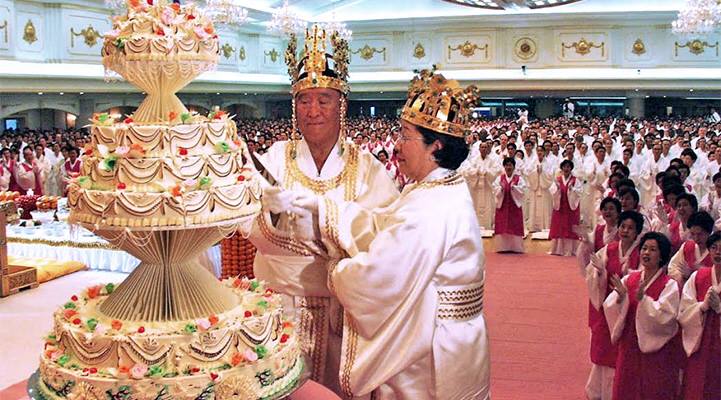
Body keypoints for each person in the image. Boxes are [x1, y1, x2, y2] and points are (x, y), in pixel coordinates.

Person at [291, 68, 490, 399]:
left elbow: (380, 276)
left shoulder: (430, 207)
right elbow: (384, 225)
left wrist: (335, 269)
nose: (397, 146)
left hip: (428, 347)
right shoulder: (440, 189)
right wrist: (324, 210)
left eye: (406, 136)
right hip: (455, 338)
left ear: (435, 146)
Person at [246, 25, 399, 391]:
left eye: (324, 100)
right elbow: (244, 220)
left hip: (341, 311)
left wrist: (320, 217)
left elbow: (385, 234)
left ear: (340, 105)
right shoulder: (274, 158)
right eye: (304, 100)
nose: (312, 111)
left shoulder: (365, 167)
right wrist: (268, 213)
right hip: (281, 306)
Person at [603, 232, 681, 400]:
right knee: (626, 386)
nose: (646, 253)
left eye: (652, 249)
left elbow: (666, 318)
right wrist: (621, 299)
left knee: (652, 388)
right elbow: (610, 306)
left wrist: (644, 301)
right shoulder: (630, 279)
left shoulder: (669, 285)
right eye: (644, 248)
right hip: (629, 344)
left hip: (656, 350)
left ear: (661, 256)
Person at [585, 211, 644, 400]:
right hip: (607, 307)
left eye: (630, 228)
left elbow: (643, 280)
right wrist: (600, 274)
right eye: (623, 227)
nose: (625, 231)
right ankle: (598, 392)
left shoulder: (640, 254)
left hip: (627, 309)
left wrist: (627, 286)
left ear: (637, 232)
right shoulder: (608, 250)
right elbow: (592, 273)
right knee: (603, 347)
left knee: (622, 351)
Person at [678, 231, 721, 400]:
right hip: (700, 343)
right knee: (697, 386)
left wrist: (719, 309)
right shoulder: (698, 277)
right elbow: (684, 310)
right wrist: (701, 307)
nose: (718, 252)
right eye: (714, 247)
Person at [577, 197, 621, 276]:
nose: (607, 211)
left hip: (615, 270)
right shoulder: (598, 229)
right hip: (598, 269)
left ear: (618, 212)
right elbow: (591, 248)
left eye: (611, 209)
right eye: (605, 209)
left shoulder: (621, 231)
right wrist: (586, 241)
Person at [667, 211, 715, 285]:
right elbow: (673, 266)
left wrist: (702, 272)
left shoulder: (717, 251)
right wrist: (679, 277)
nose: (696, 238)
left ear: (709, 232)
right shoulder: (687, 246)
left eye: (700, 234)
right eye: (692, 234)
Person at [493, 157, 527, 253]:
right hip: (502, 206)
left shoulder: (519, 179)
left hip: (514, 206)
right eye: (507, 165)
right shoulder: (499, 178)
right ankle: (502, 247)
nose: (508, 167)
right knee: (502, 225)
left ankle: (516, 248)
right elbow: (494, 189)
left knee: (514, 225)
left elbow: (523, 190)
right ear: (504, 166)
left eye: (510, 165)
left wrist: (514, 188)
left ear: (514, 167)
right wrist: (501, 189)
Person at [549, 159, 582, 256]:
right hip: (560, 208)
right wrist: (557, 189)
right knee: (559, 226)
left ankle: (571, 250)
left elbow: (579, 192)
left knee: (570, 226)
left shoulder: (575, 180)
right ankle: (557, 250)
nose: (566, 169)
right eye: (564, 167)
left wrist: (572, 190)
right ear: (562, 168)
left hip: (570, 208)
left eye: (568, 167)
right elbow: (552, 191)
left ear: (571, 168)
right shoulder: (558, 180)